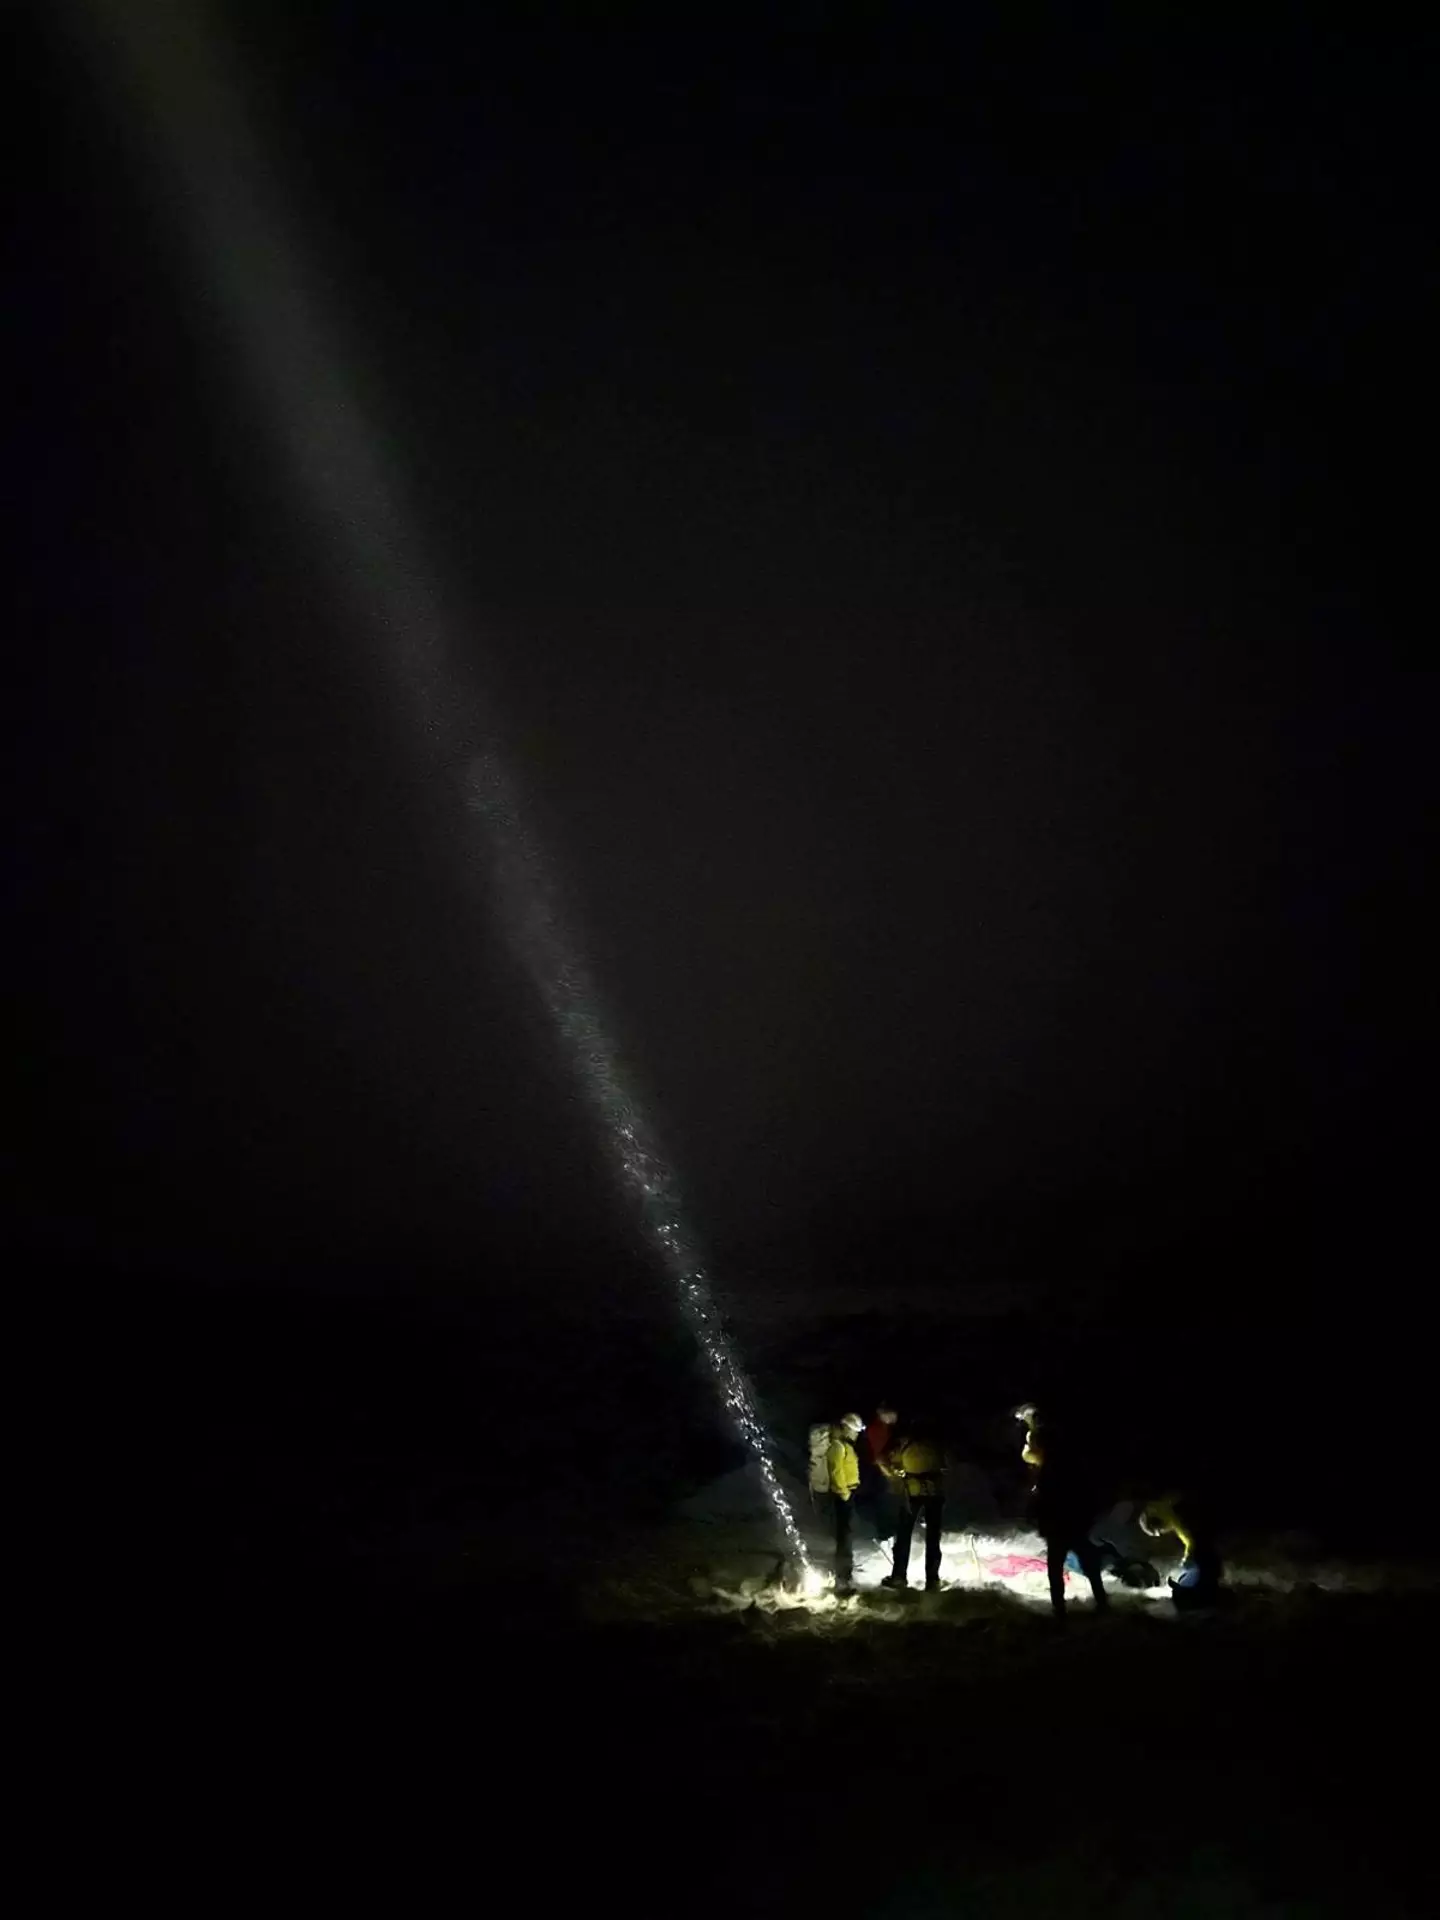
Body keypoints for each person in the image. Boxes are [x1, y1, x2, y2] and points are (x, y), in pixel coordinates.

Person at [1017, 1403, 1109, 1618]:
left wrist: (1038, 1517)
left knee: (1057, 1568)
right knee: (1087, 1564)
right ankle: (1100, 1602)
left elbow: (1044, 1499)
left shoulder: (1049, 1472)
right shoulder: (1071, 1468)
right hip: (1073, 1524)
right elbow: (1086, 1496)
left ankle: (1060, 1609)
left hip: (1061, 1525)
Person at [881, 1417, 945, 1590]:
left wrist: (896, 1472)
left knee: (903, 1534)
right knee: (933, 1536)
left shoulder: (904, 1443)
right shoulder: (937, 1442)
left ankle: (899, 1576)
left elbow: (887, 1459)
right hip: (934, 1492)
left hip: (912, 1492)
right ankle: (932, 1579)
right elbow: (946, 1464)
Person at [1140, 1495, 1223, 1608]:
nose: (1164, 1532)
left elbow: (1194, 1541)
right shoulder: (1171, 1511)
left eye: (1159, 1531)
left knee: (1197, 1570)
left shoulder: (1176, 1517)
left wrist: (1187, 1559)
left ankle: (1200, 1595)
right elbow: (1191, 1541)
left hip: (1205, 1558)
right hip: (1207, 1552)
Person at [825, 1413, 864, 1594]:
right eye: (855, 1430)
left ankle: (845, 1574)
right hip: (844, 1495)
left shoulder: (844, 1445)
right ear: (846, 1428)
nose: (856, 1434)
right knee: (844, 1536)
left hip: (849, 1492)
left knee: (847, 1534)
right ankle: (842, 1577)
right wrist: (844, 1493)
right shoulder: (838, 1446)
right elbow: (836, 1471)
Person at [862, 1401, 901, 1543]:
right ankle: (885, 1534)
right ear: (884, 1414)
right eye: (892, 1414)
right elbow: (879, 1456)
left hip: (883, 1469)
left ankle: (889, 1531)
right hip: (880, 1471)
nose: (895, 1417)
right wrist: (890, 1473)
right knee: (885, 1502)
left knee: (888, 1501)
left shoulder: (886, 1428)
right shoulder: (878, 1429)